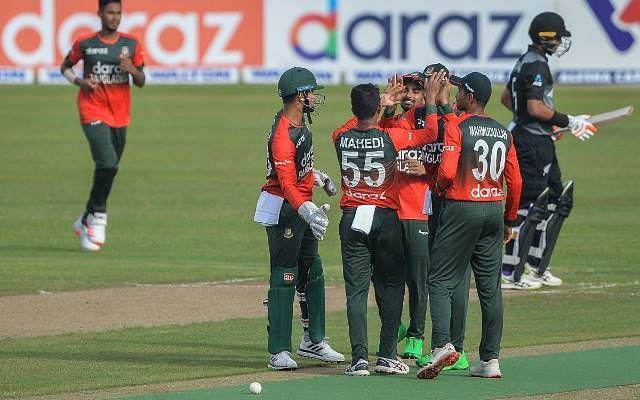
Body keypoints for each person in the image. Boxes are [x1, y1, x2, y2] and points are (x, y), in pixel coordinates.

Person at [332, 71, 445, 376]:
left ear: (355, 109)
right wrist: (431, 101)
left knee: (355, 291)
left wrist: (379, 103)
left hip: (352, 216)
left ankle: (358, 360)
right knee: (392, 286)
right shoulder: (391, 136)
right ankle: (385, 356)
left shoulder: (340, 136)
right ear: (377, 108)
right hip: (384, 217)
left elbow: (348, 124)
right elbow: (430, 133)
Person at [416, 72, 522, 380]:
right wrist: (509, 220)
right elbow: (515, 182)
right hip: (493, 209)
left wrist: (437, 187)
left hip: (462, 207)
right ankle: (490, 360)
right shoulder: (504, 132)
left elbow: (447, 173)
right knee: (490, 289)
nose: (457, 93)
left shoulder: (456, 127)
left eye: (461, 90)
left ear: (471, 97)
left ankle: (441, 345)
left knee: (439, 279)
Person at [253, 66, 344, 370]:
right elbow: (285, 181)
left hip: (300, 203)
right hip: (282, 208)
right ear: (299, 96)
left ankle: (313, 341)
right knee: (285, 275)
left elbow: (298, 170)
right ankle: (278, 350)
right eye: (311, 93)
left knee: (312, 271)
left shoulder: (299, 123)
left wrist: (317, 176)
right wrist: (305, 209)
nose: (315, 98)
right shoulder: (282, 134)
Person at [500, 12, 597, 289]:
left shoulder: (526, 60)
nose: (560, 41)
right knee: (530, 202)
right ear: (547, 37)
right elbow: (533, 107)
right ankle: (510, 272)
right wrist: (569, 122)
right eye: (558, 36)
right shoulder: (537, 65)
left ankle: (535, 265)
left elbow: (508, 98)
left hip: (535, 137)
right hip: (531, 143)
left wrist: (545, 125)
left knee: (555, 198)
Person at [61, 0, 146, 251]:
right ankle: (97, 218)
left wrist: (132, 70)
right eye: (110, 12)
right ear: (99, 14)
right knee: (107, 163)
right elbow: (64, 67)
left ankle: (85, 217)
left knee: (111, 168)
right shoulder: (85, 43)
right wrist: (80, 82)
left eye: (118, 13)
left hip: (120, 115)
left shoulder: (130, 44)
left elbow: (141, 81)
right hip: (92, 110)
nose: (115, 17)